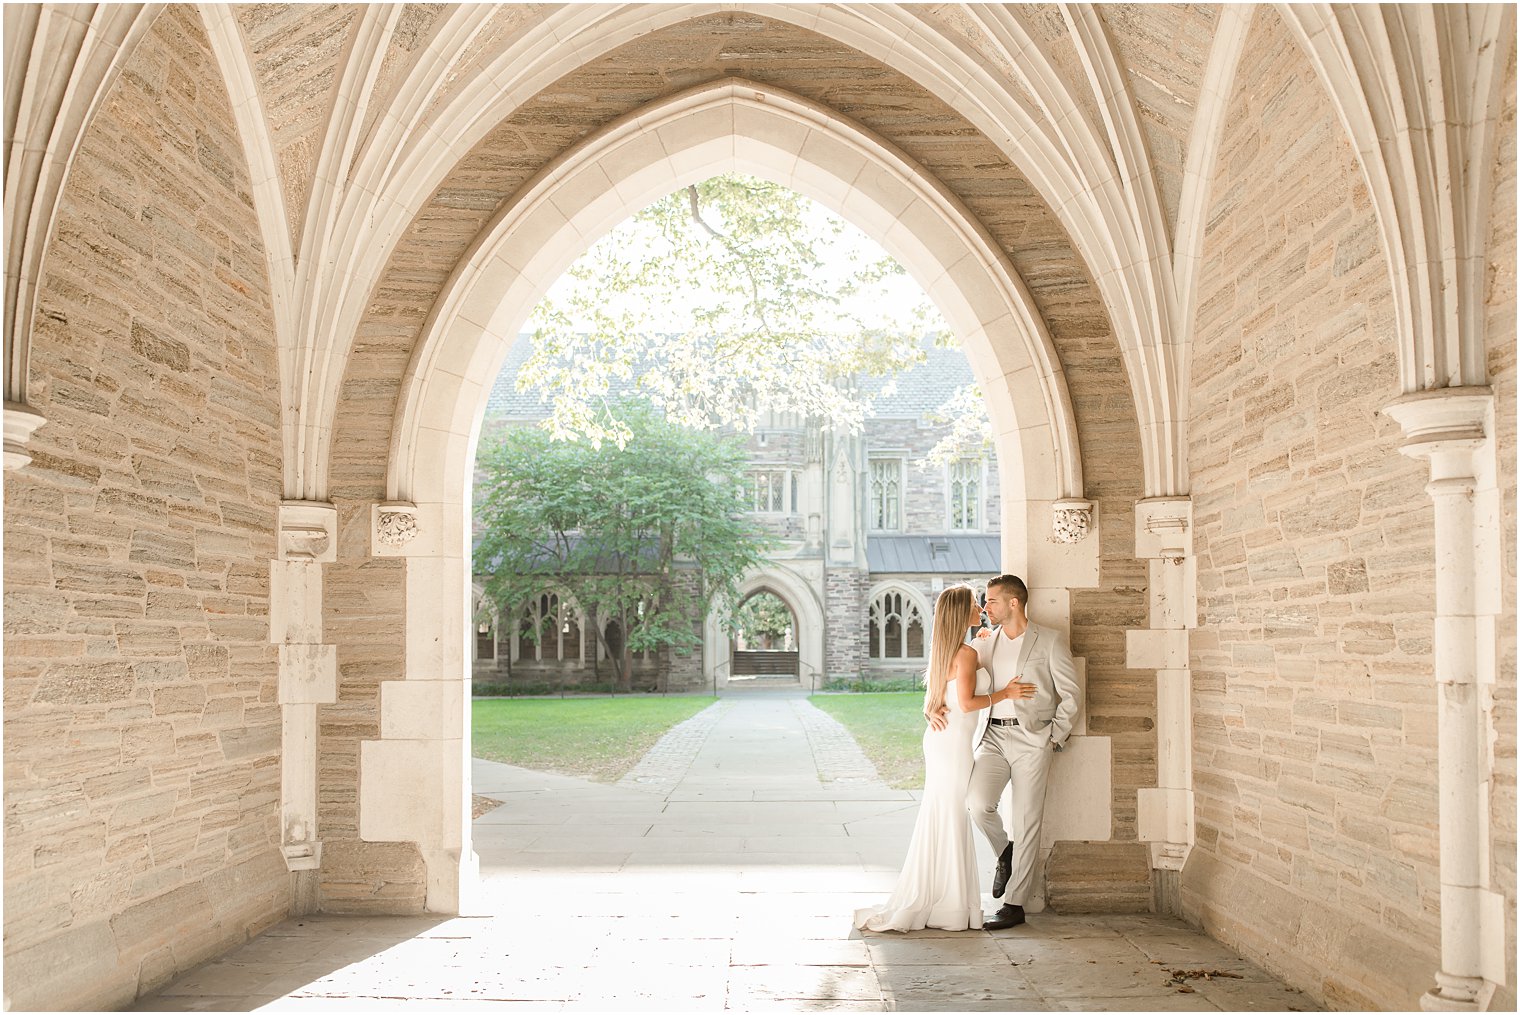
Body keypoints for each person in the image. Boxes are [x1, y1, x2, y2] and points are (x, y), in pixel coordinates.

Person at [853, 585, 1034, 933]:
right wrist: (1005, 693)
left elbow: (943, 697)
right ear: (959, 612)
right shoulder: (964, 654)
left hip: (943, 741)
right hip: (952, 746)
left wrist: (983, 640)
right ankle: (951, 905)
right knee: (951, 816)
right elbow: (966, 703)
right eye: (973, 604)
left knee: (944, 815)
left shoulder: (949, 651)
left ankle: (946, 900)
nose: (980, 608)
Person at [966, 574, 1081, 930]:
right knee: (977, 804)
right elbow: (961, 677)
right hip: (992, 739)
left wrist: (1054, 737)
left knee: (1028, 819)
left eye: (992, 601)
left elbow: (1071, 693)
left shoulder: (1049, 640)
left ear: (1014, 602)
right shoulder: (985, 643)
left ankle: (1014, 904)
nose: (986, 608)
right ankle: (1005, 851)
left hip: (1033, 740)